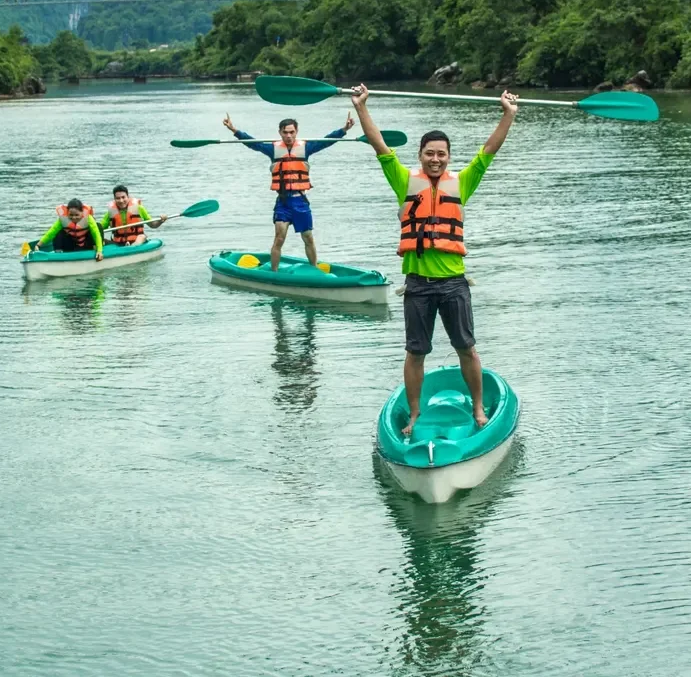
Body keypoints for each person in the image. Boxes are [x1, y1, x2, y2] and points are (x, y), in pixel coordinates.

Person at [351, 83, 519, 438]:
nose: (436, 159)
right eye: (430, 153)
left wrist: (508, 114)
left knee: (466, 348)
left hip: (454, 282)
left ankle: (477, 408)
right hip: (417, 285)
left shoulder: (463, 182)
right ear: (420, 154)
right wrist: (362, 107)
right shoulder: (403, 181)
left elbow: (489, 151)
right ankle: (415, 415)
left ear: (448, 156)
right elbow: (379, 146)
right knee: (416, 353)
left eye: (442, 154)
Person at [222, 112, 354, 271]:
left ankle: (314, 269)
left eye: (292, 132)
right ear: (280, 132)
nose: (289, 136)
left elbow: (326, 141)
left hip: (300, 201)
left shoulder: (306, 148)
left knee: (308, 238)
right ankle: (274, 272)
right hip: (283, 202)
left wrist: (344, 129)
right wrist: (234, 130)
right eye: (285, 132)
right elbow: (252, 143)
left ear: (296, 132)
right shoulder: (273, 149)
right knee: (279, 238)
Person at [98, 185, 167, 246]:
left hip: (137, 240)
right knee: (100, 240)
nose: (121, 201)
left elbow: (152, 225)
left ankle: (132, 247)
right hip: (118, 242)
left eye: (123, 197)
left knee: (141, 237)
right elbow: (100, 228)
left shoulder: (139, 208)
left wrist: (160, 221)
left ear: (128, 197)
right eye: (118, 198)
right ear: (115, 199)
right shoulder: (110, 212)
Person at [35, 198, 104, 259]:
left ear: (82, 212)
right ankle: (58, 254)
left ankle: (96, 248)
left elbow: (96, 234)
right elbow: (51, 232)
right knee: (59, 232)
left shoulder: (88, 218)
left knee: (98, 226)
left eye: (77, 215)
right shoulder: (63, 220)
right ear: (67, 212)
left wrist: (99, 251)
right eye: (71, 215)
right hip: (72, 245)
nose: (74, 218)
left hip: (86, 244)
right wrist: (38, 245)